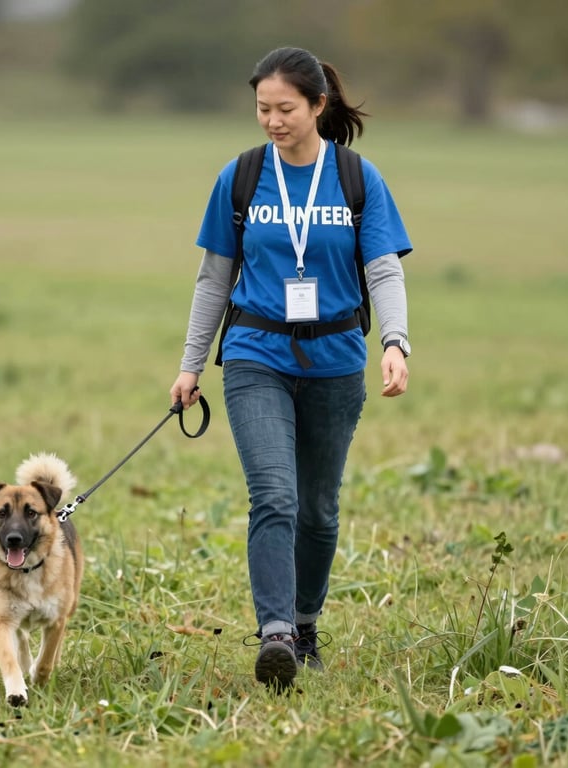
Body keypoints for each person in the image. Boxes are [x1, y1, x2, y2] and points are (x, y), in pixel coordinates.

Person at [169, 47, 412, 691]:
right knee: (273, 495)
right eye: (262, 109)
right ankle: (275, 633)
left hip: (336, 360)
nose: (272, 121)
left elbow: (384, 268)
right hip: (255, 354)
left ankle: (305, 625)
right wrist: (191, 366)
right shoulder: (242, 177)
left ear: (317, 106)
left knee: (319, 510)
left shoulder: (359, 178)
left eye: (285, 109)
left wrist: (395, 342)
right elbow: (213, 278)